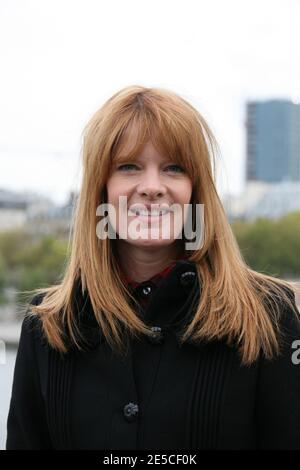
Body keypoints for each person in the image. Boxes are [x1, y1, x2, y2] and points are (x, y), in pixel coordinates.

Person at [6, 85, 300, 450]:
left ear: (197, 189)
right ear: (101, 188)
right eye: (129, 167)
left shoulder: (270, 316)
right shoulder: (47, 327)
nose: (151, 187)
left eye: (173, 168)